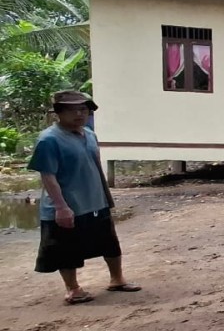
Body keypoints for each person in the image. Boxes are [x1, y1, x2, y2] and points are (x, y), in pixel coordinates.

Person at [28, 90, 140, 305]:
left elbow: (95, 167)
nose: (79, 114)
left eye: (84, 109)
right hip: (68, 204)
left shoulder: (89, 134)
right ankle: (73, 289)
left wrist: (106, 197)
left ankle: (117, 279)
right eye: (72, 110)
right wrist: (61, 207)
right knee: (66, 249)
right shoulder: (49, 140)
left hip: (95, 200)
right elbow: (48, 176)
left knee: (109, 243)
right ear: (58, 113)